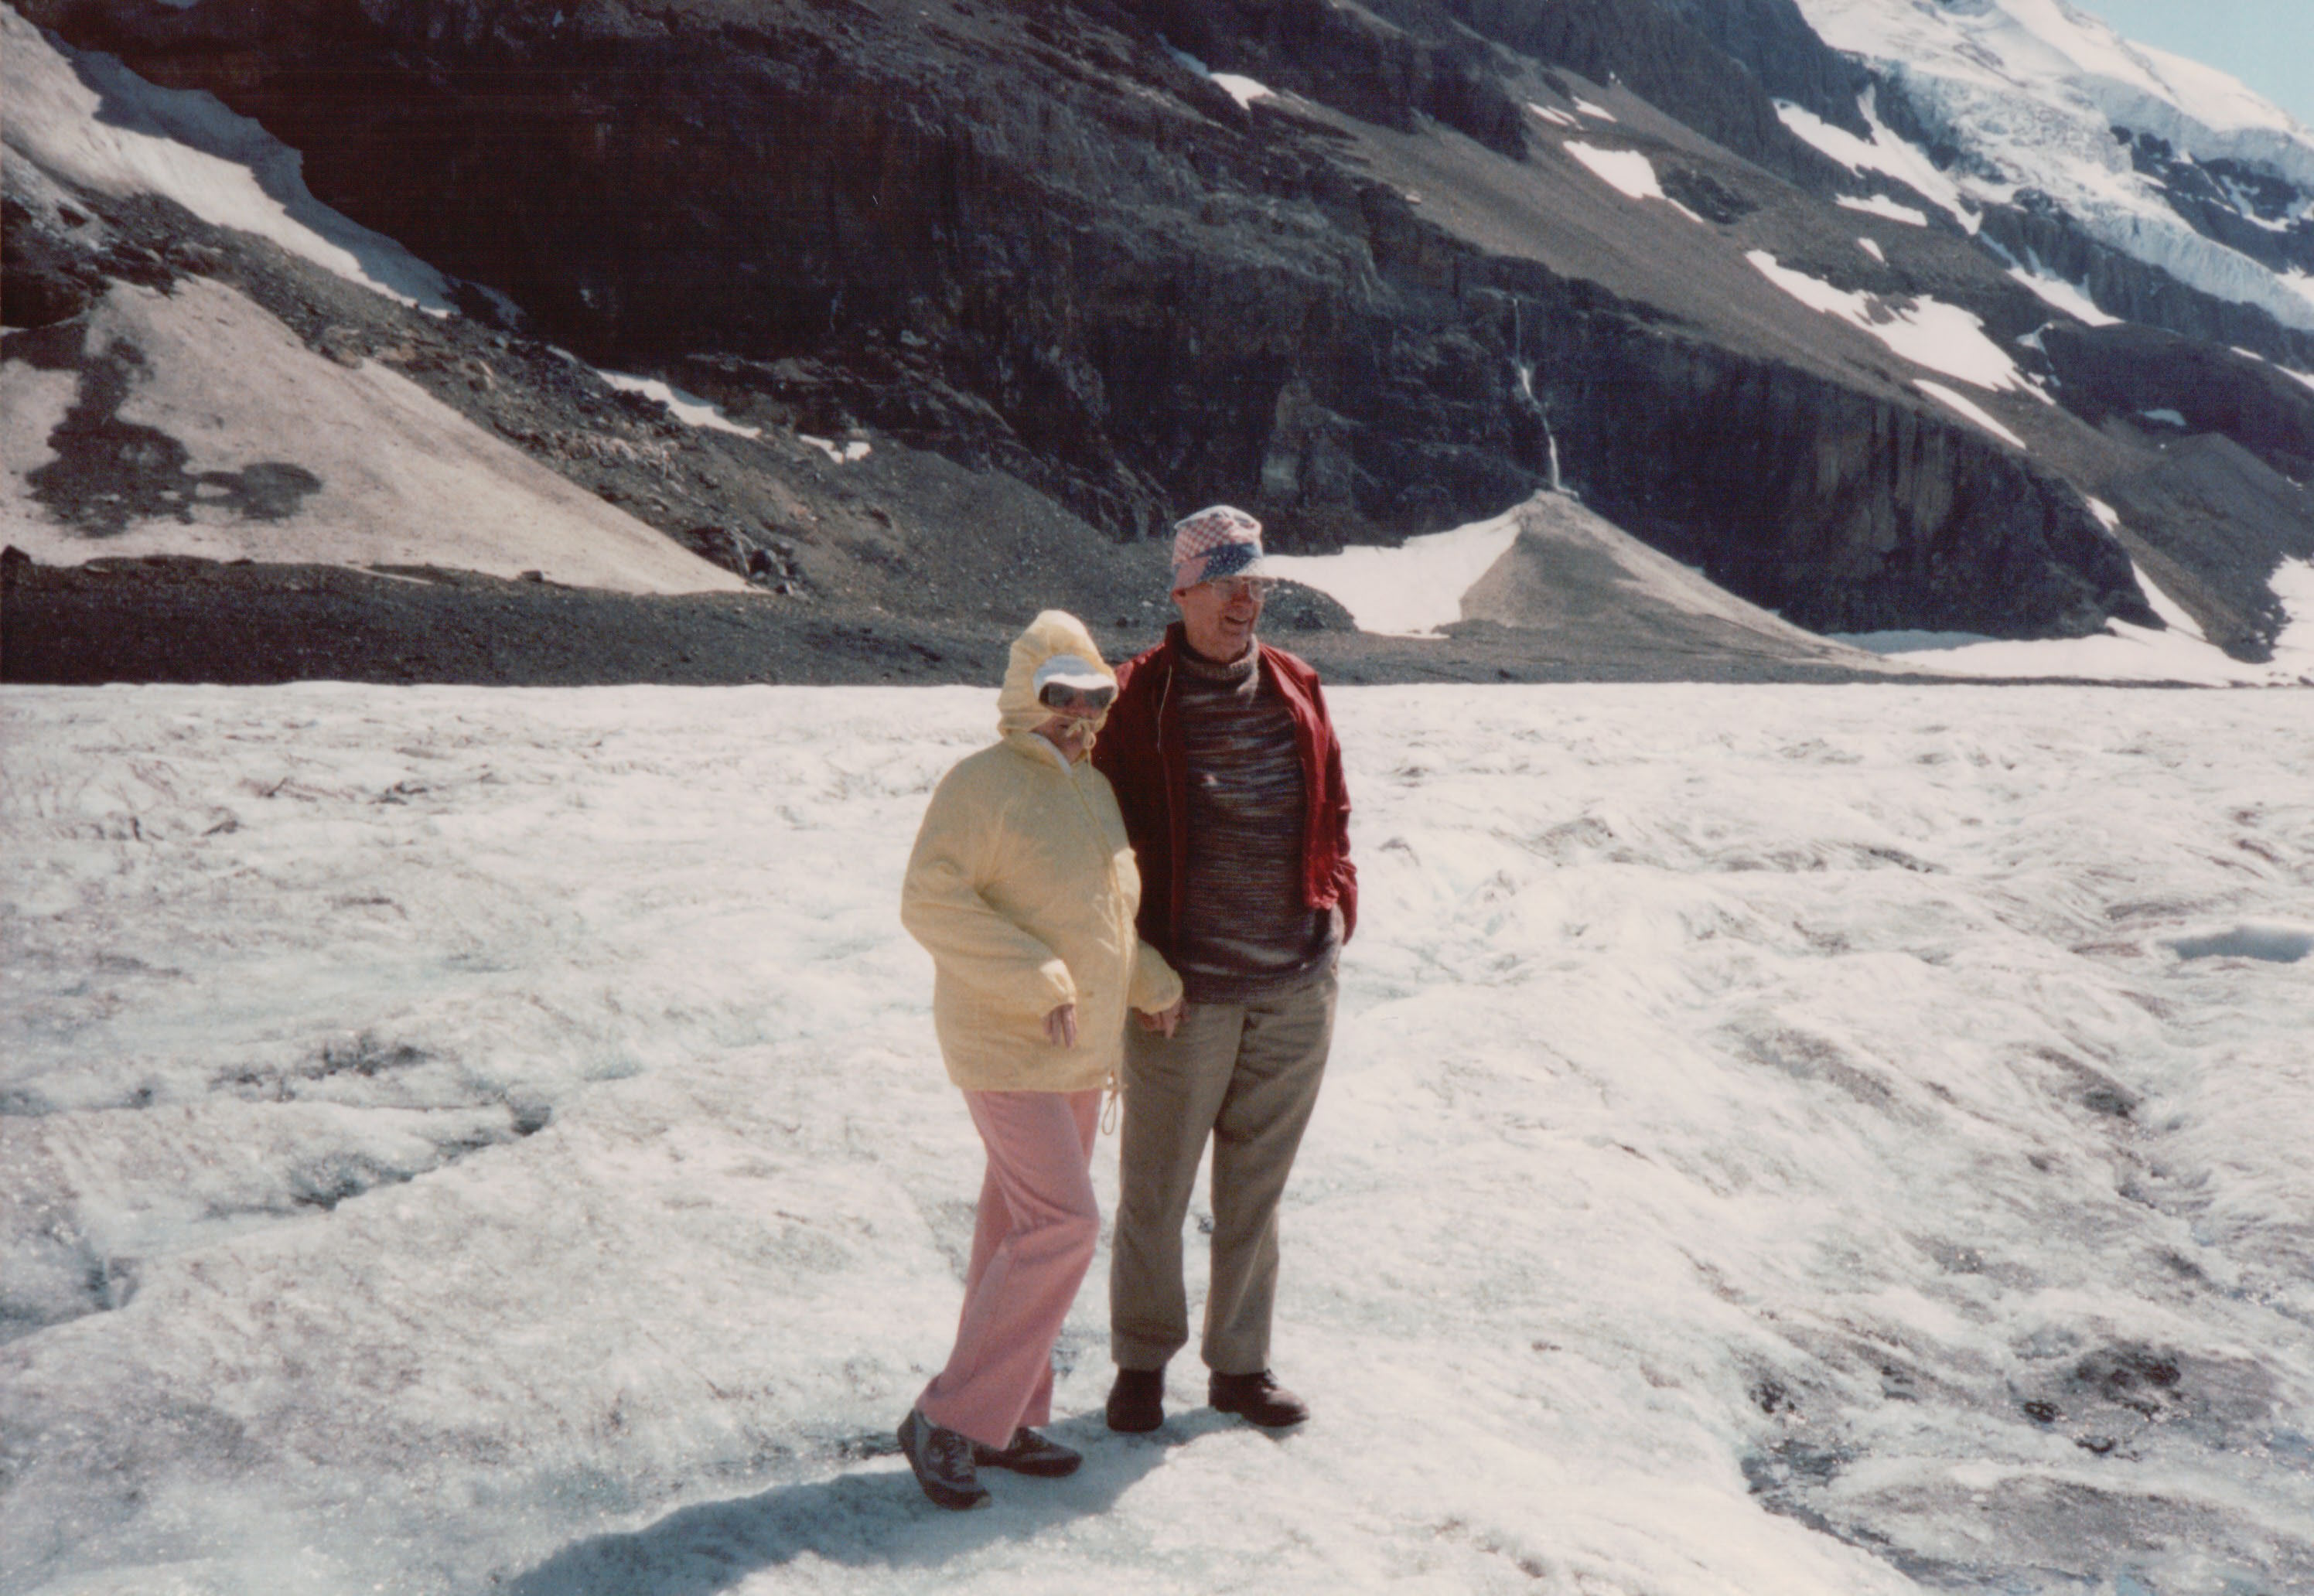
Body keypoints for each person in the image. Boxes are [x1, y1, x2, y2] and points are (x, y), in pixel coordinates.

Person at [896, 609, 1186, 1509]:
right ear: (1026, 694)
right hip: (1005, 1042)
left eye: (1092, 697)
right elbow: (929, 903)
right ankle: (946, 1418)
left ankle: (1008, 1417)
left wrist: (1152, 982)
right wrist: (1036, 978)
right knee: (1064, 1226)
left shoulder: (1092, 792)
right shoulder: (980, 785)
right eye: (1059, 695)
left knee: (1014, 1231)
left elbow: (1100, 922)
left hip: (1077, 1053)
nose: (1077, 715)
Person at [1092, 505, 1356, 1434]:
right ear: (1183, 591)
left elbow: (1334, 807)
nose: (1245, 602)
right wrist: (1136, 967)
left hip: (1294, 987)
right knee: (1154, 1191)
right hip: (1182, 996)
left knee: (1256, 1190)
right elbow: (1099, 840)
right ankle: (1140, 1364)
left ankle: (1239, 1366)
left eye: (1257, 585)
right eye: (1226, 584)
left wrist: (1338, 906)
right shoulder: (1136, 699)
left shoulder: (1297, 684)